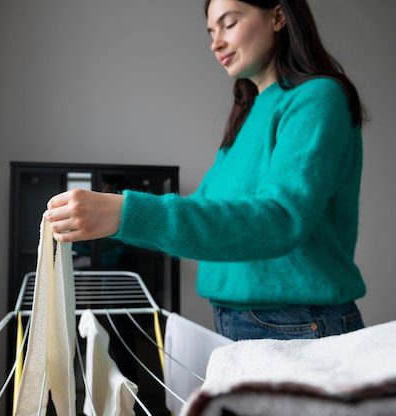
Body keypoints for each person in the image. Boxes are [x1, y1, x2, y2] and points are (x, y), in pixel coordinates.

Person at [45, 0, 367, 341]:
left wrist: (125, 212)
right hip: (243, 319)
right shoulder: (248, 114)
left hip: (299, 322)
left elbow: (280, 219)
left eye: (228, 24)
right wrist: (112, 220)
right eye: (211, 32)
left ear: (278, 16)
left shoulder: (317, 97)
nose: (216, 43)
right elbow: (207, 209)